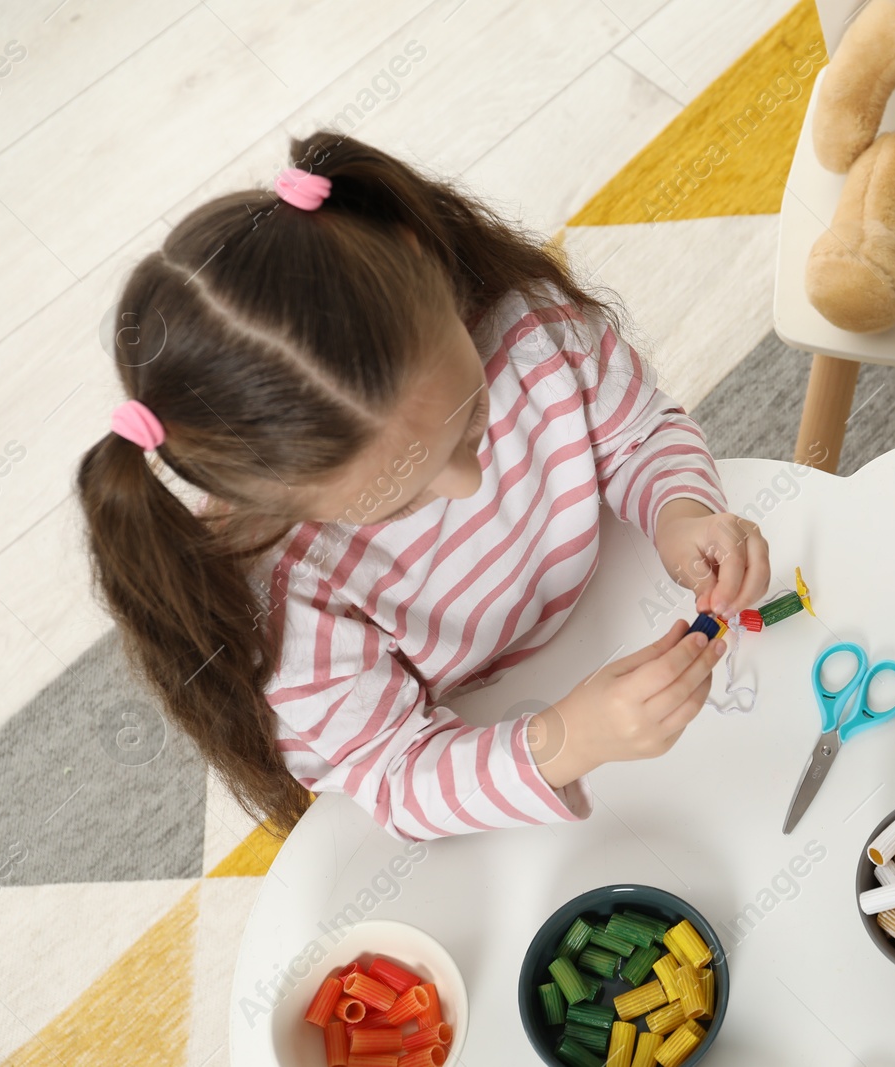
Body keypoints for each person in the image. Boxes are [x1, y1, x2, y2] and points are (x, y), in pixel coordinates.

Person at [77, 132, 769, 841]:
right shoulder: (283, 596)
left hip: (611, 610)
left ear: (421, 261)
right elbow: (398, 775)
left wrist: (682, 513)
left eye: (472, 417)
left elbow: (637, 434)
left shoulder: (531, 328)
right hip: (482, 747)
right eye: (402, 498)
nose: (470, 481)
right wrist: (569, 738)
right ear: (276, 507)